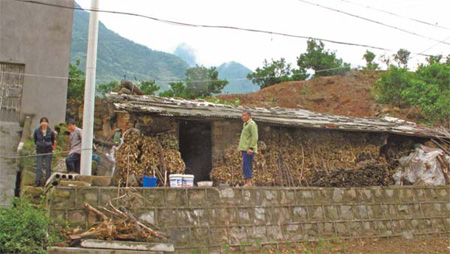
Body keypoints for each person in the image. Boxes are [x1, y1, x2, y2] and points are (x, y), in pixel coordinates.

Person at [238, 110, 258, 187]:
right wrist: (241, 149)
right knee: (244, 165)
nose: (243, 117)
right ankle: (248, 182)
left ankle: (249, 183)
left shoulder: (252, 124)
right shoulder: (245, 125)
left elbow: (255, 136)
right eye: (242, 115)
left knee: (247, 165)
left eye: (244, 115)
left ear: (249, 116)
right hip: (244, 149)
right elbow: (244, 138)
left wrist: (251, 148)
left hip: (249, 149)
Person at [33, 117, 55, 187]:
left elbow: (52, 140)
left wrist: (49, 145)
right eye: (42, 122)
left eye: (45, 122)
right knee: (39, 166)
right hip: (39, 150)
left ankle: (48, 181)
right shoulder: (37, 131)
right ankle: (37, 181)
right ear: (40, 123)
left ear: (47, 123)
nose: (44, 123)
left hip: (48, 150)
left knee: (48, 167)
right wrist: (39, 144)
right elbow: (35, 139)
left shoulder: (51, 132)